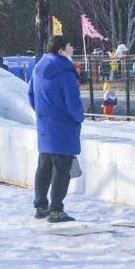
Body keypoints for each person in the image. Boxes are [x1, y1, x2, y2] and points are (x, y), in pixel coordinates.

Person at [27, 34, 84, 223]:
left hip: (45, 126)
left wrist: (43, 113)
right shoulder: (66, 73)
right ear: (61, 51)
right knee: (62, 170)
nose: (72, 49)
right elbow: (73, 103)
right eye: (70, 46)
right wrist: (78, 118)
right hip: (64, 128)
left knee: (44, 167)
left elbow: (31, 94)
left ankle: (41, 206)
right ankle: (56, 210)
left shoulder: (37, 69)